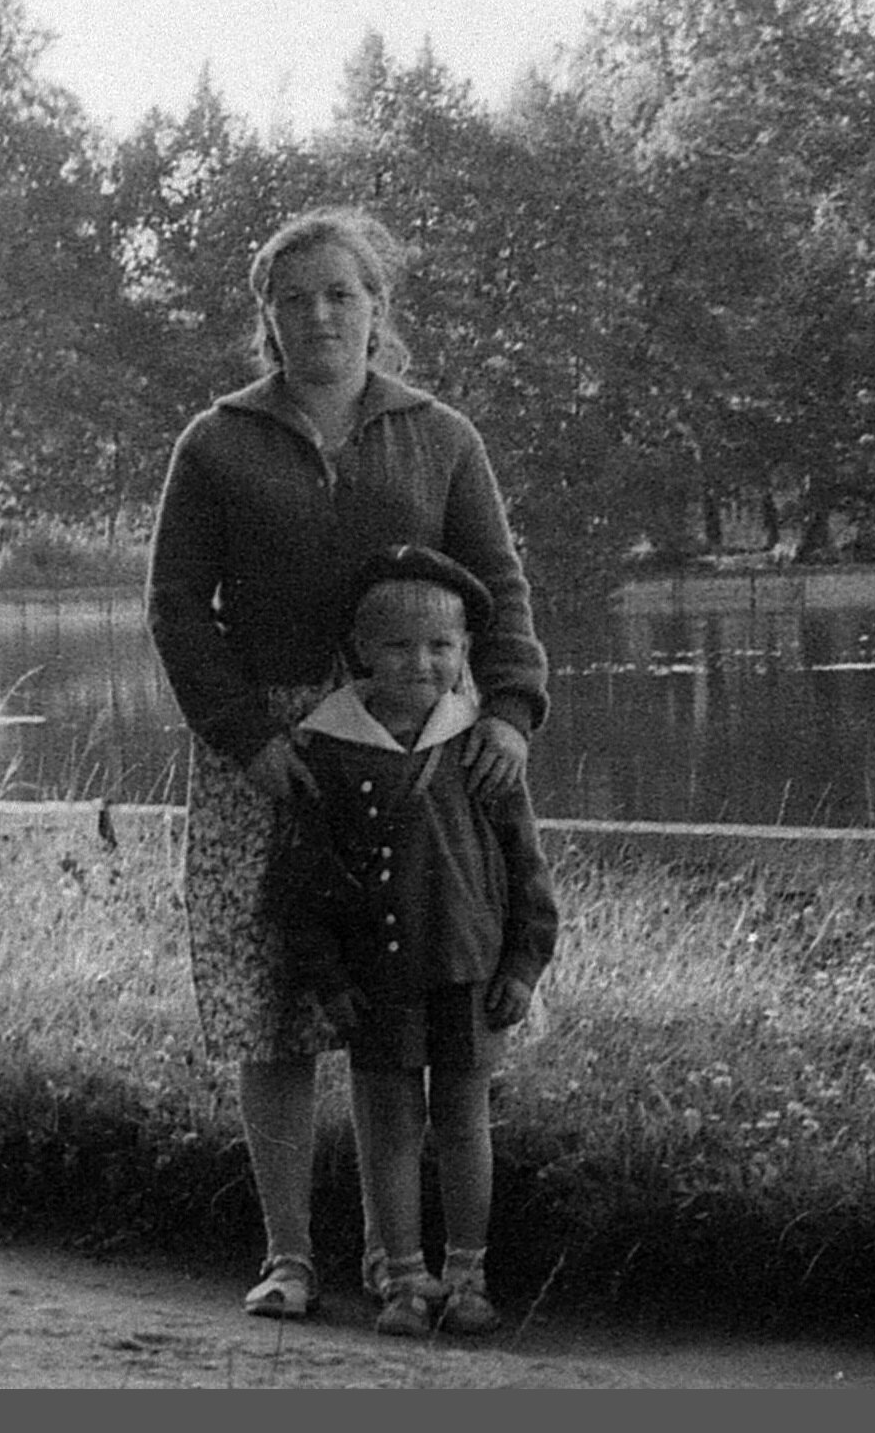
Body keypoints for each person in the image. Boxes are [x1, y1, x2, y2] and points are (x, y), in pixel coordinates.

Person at [147, 205, 549, 1323]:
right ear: (267, 318)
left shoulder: (441, 436)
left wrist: (509, 715)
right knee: (271, 1008)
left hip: (418, 755)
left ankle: (400, 1264)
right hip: (272, 756)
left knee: (400, 1005)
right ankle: (289, 1256)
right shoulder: (216, 442)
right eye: (295, 298)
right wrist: (248, 738)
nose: (319, 314)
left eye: (341, 293)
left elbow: (500, 589)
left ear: (377, 307)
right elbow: (176, 608)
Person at [274, 546, 557, 1337]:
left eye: (442, 646)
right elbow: (302, 885)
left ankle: (468, 1273)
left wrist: (524, 965)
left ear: (466, 651)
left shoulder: (480, 745)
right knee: (389, 1124)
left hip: (470, 971)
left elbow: (526, 867)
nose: (422, 663)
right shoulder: (328, 748)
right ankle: (403, 1277)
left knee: (465, 1118)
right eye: (398, 646)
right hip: (377, 980)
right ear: (361, 650)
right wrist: (329, 980)